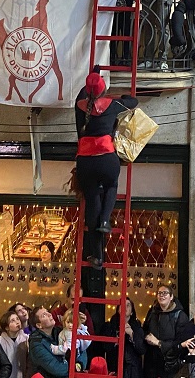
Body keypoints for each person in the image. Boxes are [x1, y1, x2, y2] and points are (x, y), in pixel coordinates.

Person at [74, 68, 139, 268]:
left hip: (85, 160)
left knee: (92, 197)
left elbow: (82, 95)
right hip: (106, 158)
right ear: (103, 90)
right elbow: (133, 102)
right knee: (111, 187)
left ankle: (97, 256)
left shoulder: (80, 105)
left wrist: (91, 76)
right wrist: (123, 95)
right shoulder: (112, 104)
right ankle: (105, 221)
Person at [141, 285, 190, 378]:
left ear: (171, 297)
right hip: (151, 363)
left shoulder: (180, 316)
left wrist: (159, 343)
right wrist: (146, 336)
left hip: (168, 364)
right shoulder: (152, 311)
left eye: (165, 293)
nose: (161, 295)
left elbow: (181, 343)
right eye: (159, 293)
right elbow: (145, 329)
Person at [102, 297, 145, 378]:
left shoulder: (137, 327)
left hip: (132, 370)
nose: (125, 307)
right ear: (118, 309)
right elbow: (105, 347)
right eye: (122, 305)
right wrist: (117, 338)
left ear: (132, 312)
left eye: (128, 305)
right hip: (114, 367)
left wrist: (132, 334)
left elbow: (142, 349)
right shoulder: (109, 326)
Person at [27, 308, 68, 378]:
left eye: (48, 312)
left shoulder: (60, 331)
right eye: (44, 315)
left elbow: (79, 346)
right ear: (39, 325)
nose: (50, 314)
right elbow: (57, 369)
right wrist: (74, 368)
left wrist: (79, 364)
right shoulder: (36, 344)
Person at [0, 311, 28, 378]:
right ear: (6, 327)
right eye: (12, 321)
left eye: (17, 319)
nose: (17, 322)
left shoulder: (26, 338)